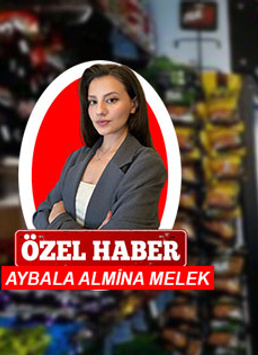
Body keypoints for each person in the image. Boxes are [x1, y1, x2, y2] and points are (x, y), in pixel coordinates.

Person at [34, 63, 165, 230]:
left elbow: (117, 245)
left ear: (134, 105)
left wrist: (59, 219)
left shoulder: (146, 164)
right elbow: (41, 214)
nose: (99, 111)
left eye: (111, 100)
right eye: (93, 102)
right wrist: (94, 236)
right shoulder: (78, 157)